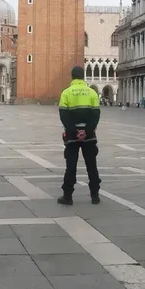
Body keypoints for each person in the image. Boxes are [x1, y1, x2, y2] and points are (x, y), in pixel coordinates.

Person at [57, 66, 102, 205]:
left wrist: (74, 131)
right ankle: (95, 196)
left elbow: (63, 116)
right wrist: (86, 131)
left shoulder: (66, 93)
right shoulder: (92, 92)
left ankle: (67, 196)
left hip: (72, 136)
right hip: (89, 136)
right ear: (83, 76)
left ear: (72, 76)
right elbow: (96, 115)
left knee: (71, 166)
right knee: (92, 166)